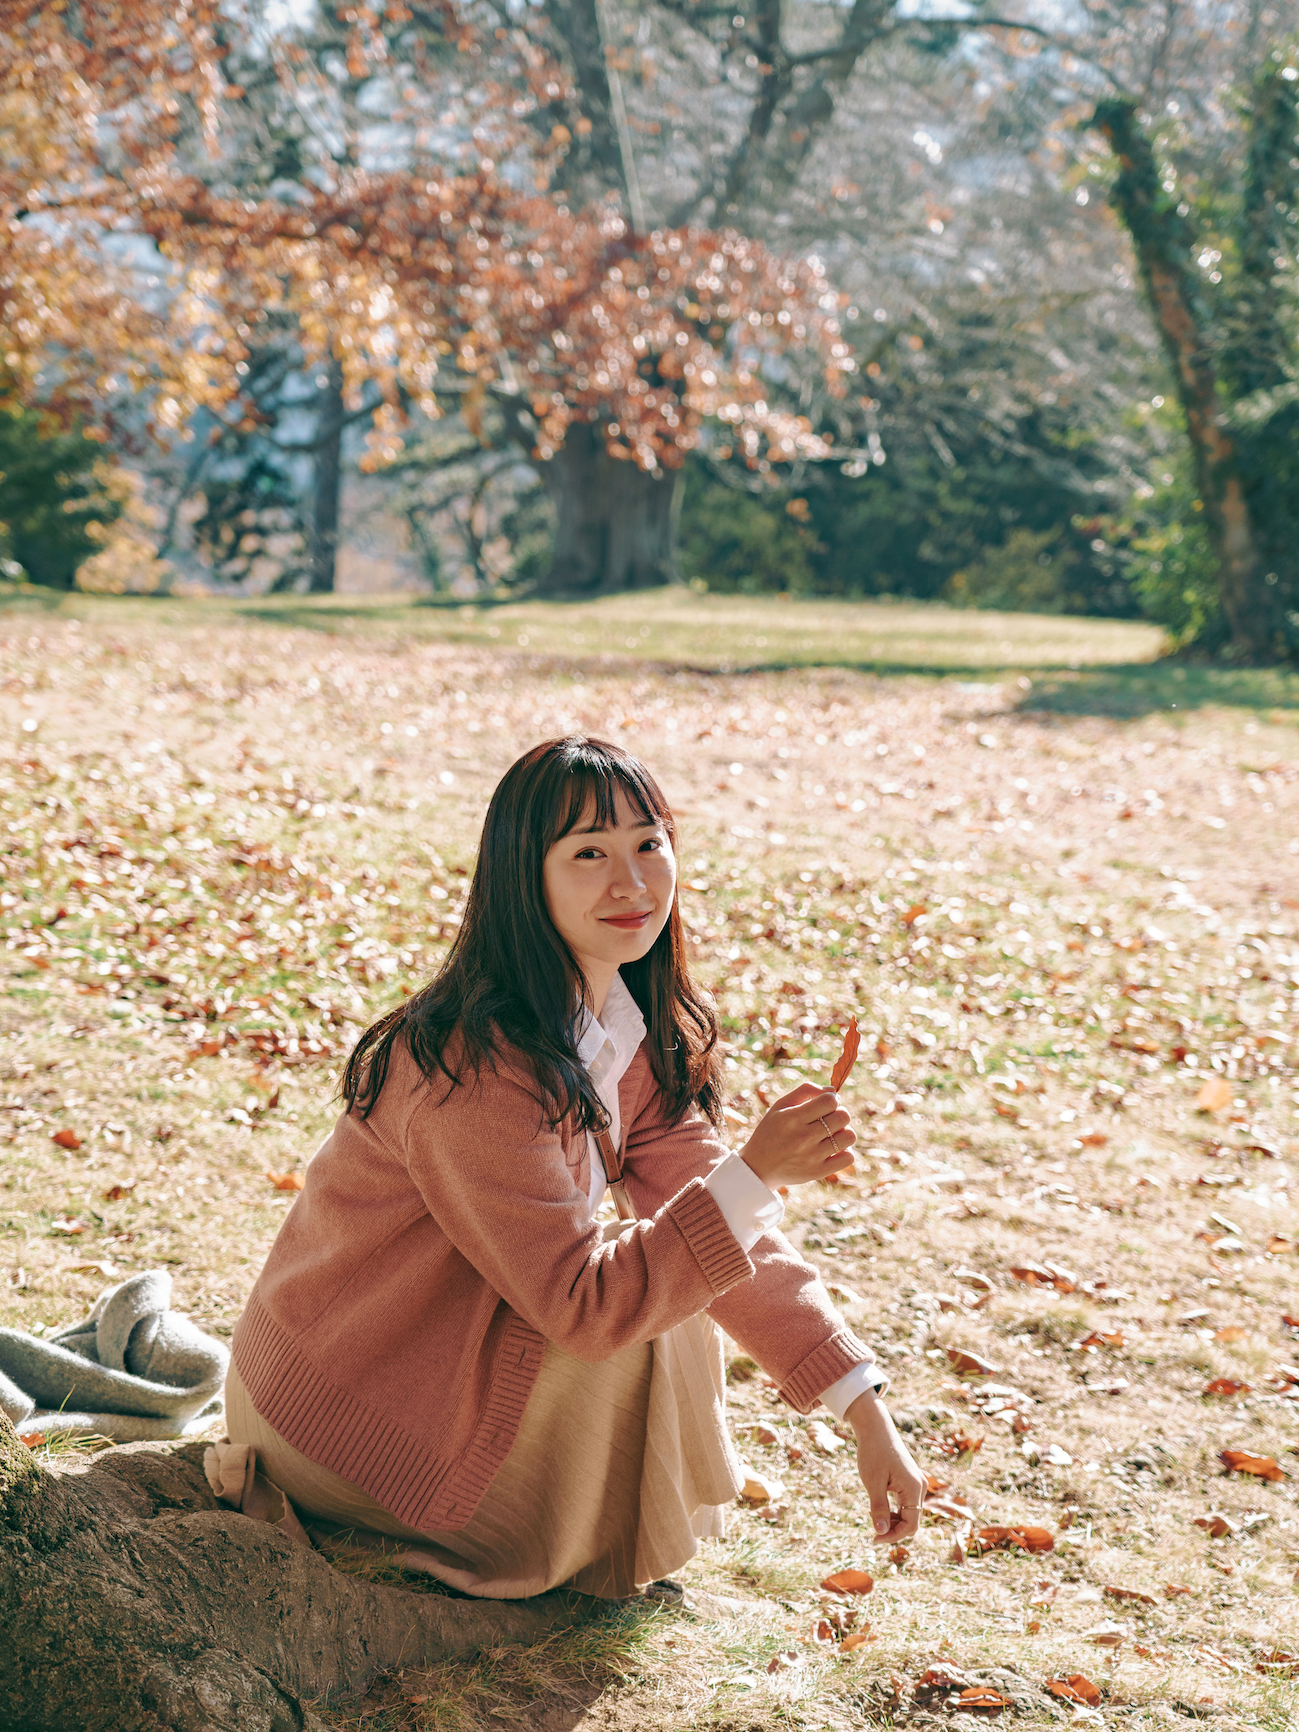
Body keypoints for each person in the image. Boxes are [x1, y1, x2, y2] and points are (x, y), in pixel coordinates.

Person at [223, 735, 925, 1599]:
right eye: (588, 853)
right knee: (651, 1299)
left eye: (647, 844)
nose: (629, 883)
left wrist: (863, 1404)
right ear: (526, 875)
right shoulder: (472, 1068)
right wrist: (756, 1170)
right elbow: (587, 1308)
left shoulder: (612, 1022)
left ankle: (590, 1524)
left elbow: (720, 1208)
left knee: (686, 1259)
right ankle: (532, 1536)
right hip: (338, 1416)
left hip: (432, 1353)